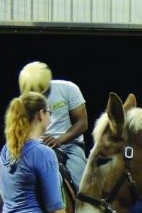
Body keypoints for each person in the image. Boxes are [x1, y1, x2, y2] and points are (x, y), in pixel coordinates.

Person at [18, 61, 89, 190]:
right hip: (37, 146)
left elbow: (82, 123)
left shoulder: (68, 89)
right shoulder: (24, 102)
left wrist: (59, 140)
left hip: (69, 147)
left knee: (82, 186)